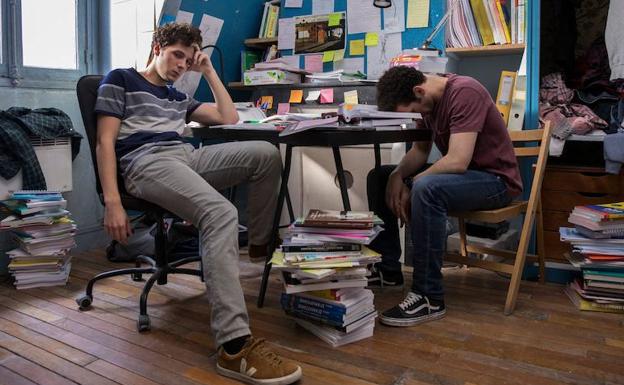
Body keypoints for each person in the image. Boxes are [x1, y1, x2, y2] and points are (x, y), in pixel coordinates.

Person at [94, 22, 302, 385]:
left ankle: (258, 242)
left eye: (187, 60)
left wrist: (206, 70)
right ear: (158, 46)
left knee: (266, 154)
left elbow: (229, 117)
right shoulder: (121, 78)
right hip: (146, 162)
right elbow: (105, 143)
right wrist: (113, 201)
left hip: (184, 157)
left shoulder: (178, 97)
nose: (180, 65)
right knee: (220, 212)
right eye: (176, 55)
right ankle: (233, 345)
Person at [367, 66, 522, 327]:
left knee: (427, 187)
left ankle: (429, 295)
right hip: (464, 178)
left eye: (414, 111)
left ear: (419, 91)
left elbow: (458, 161)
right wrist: (397, 176)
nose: (418, 115)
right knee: (379, 176)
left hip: (495, 181)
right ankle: (388, 269)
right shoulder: (428, 102)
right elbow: (419, 151)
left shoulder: (465, 92)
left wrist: (414, 182)